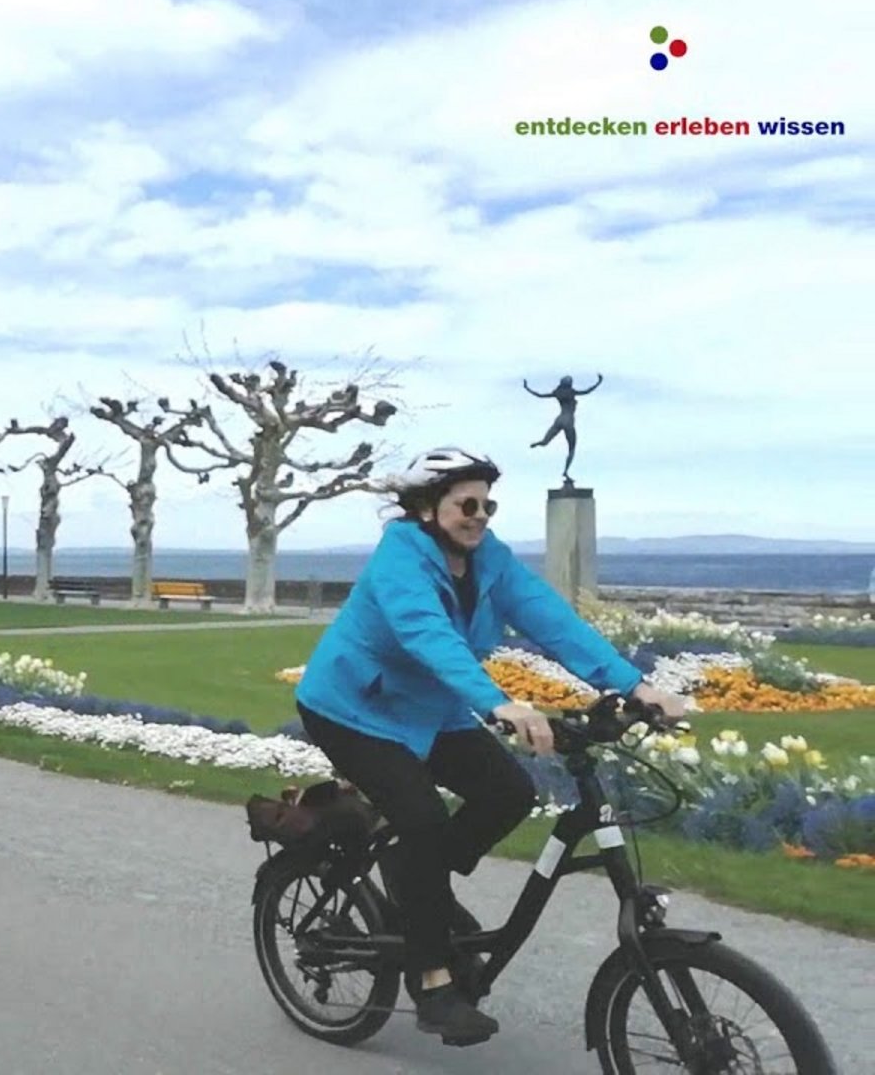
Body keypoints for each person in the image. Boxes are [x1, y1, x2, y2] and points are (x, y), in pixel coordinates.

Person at [292, 446, 688, 1047]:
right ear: (427, 508)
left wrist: (635, 685)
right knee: (423, 819)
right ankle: (432, 981)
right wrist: (500, 702)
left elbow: (551, 620)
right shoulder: (400, 559)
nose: (479, 515)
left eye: (487, 505)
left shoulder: (489, 560)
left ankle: (410, 876)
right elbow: (426, 633)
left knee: (508, 793)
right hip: (356, 709)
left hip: (430, 710)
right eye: (466, 504)